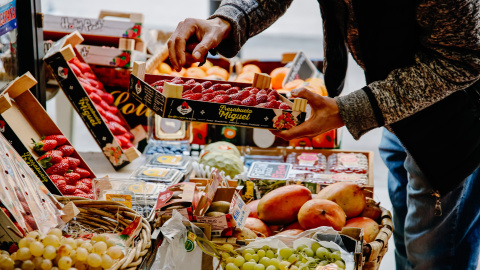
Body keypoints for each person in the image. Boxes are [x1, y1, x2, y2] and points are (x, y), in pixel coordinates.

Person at [167, 1, 480, 269]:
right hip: (397, 105)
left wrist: (350, 110)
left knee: (431, 254)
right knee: (407, 245)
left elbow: (464, 57)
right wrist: (226, 19)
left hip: (451, 118)